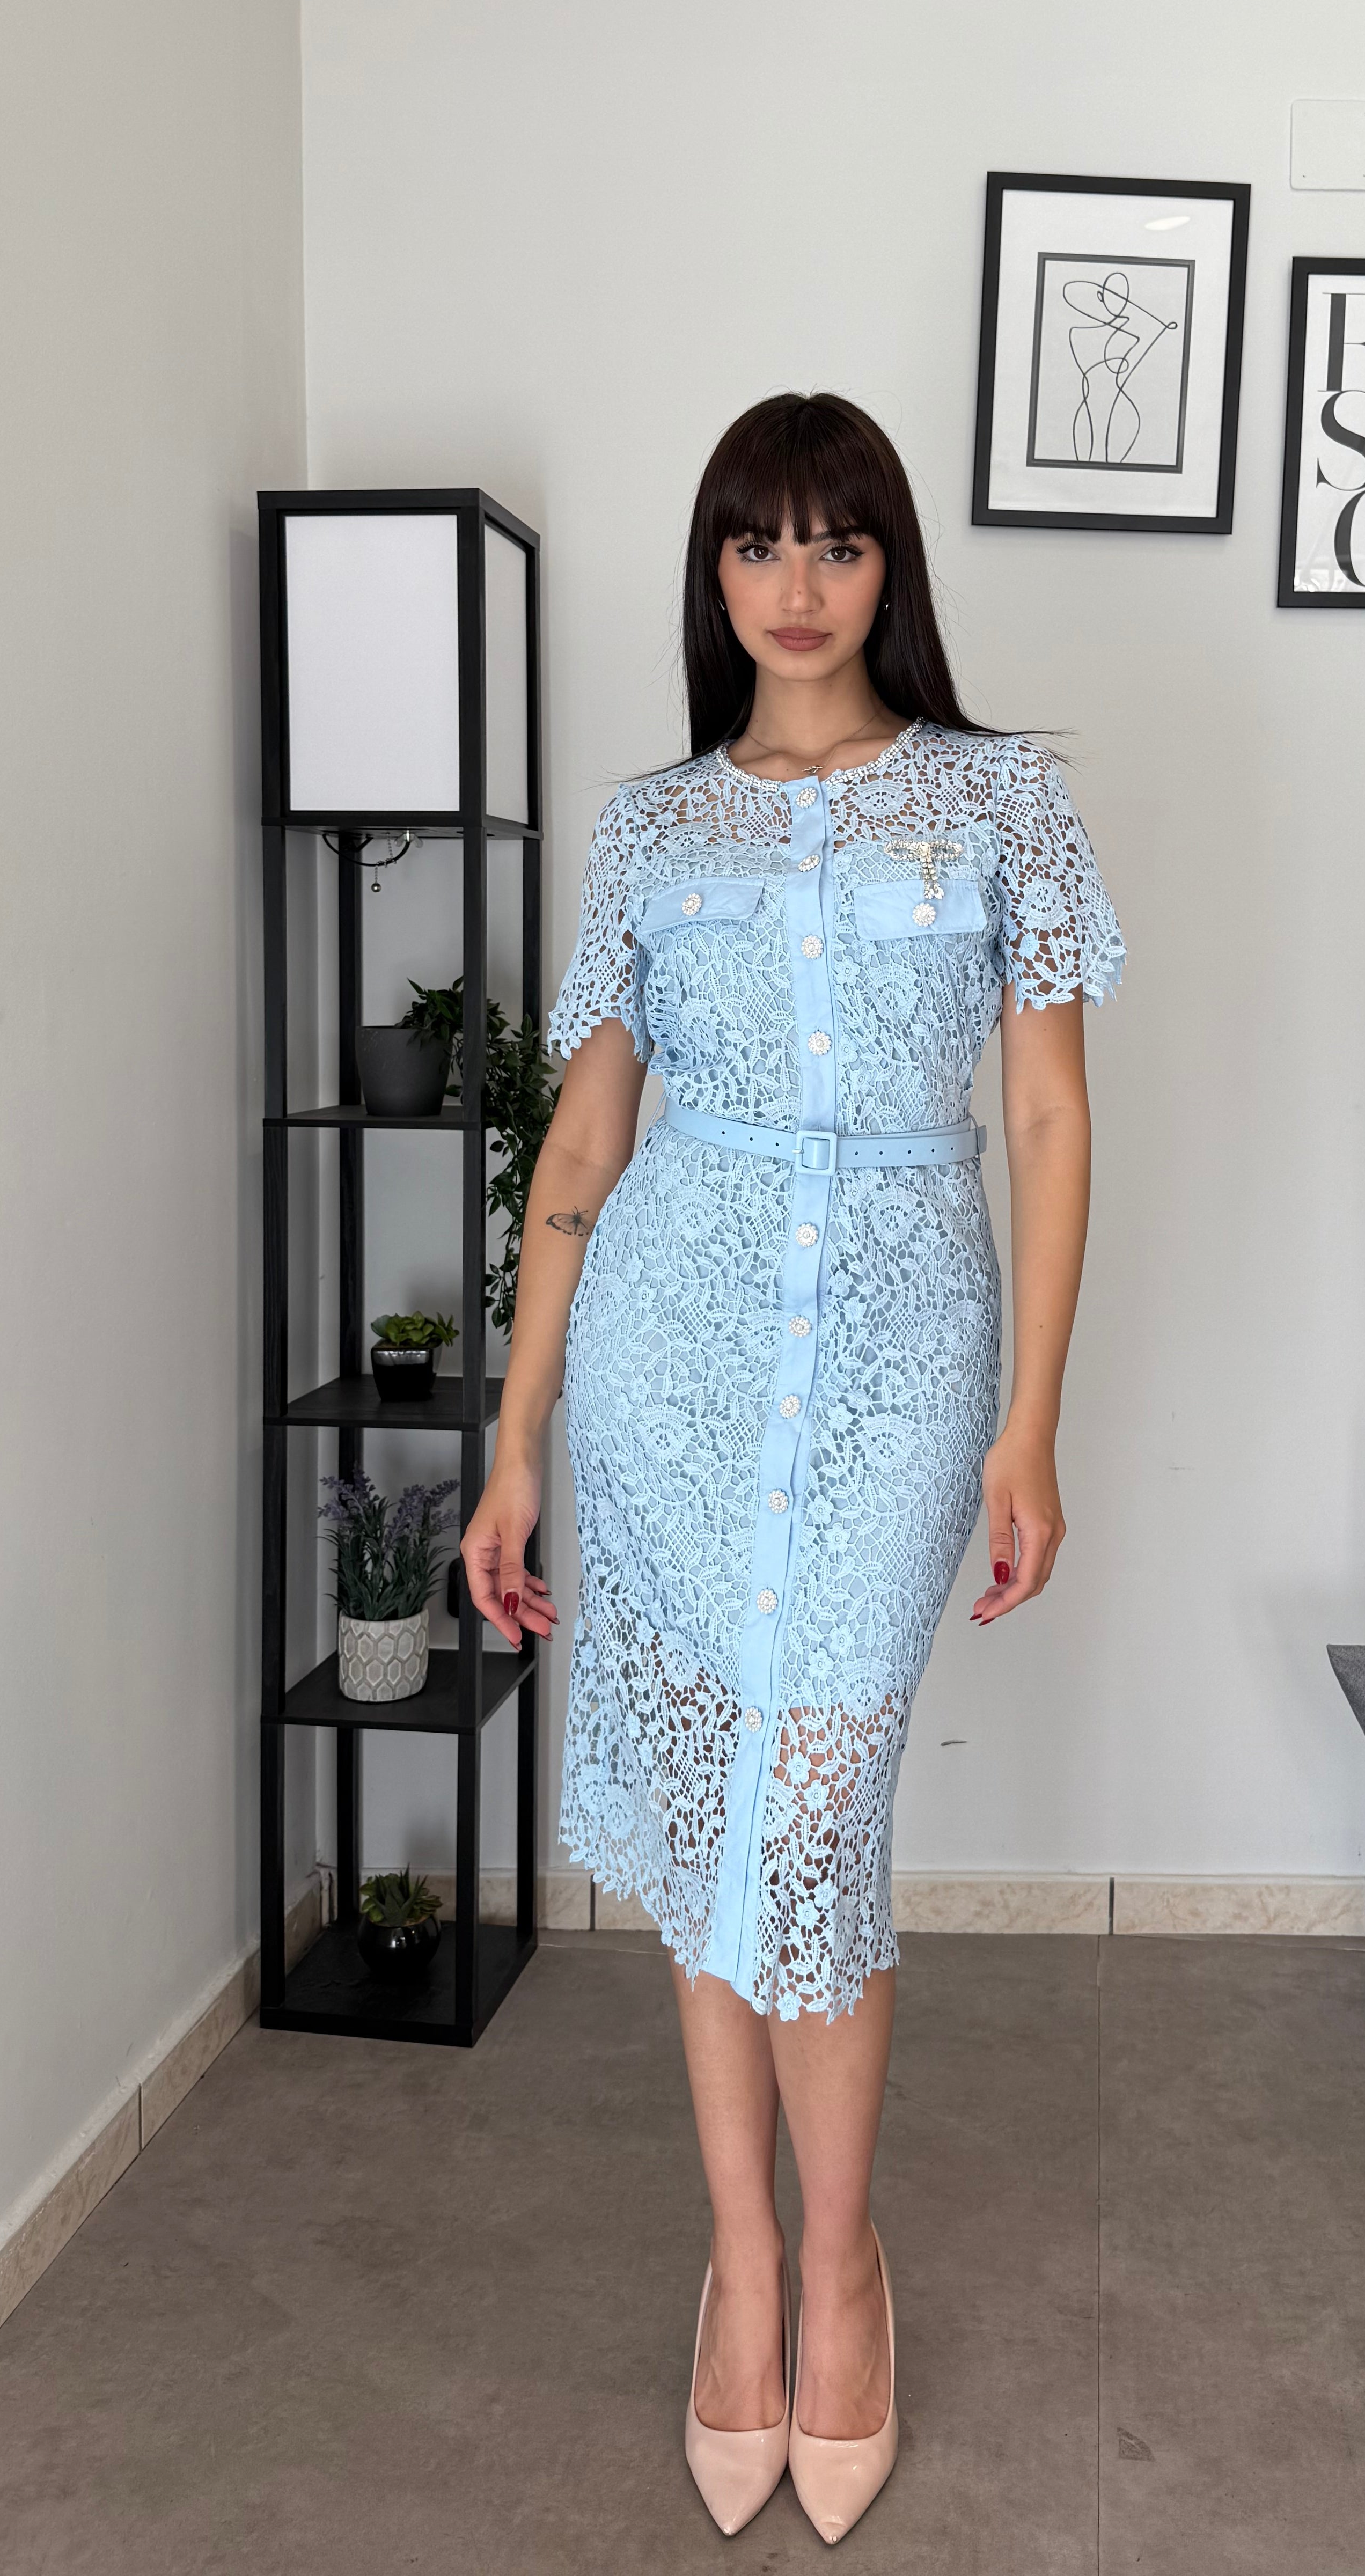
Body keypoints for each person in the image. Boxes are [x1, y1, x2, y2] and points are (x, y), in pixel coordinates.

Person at [459, 390, 1122, 2544]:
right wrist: (515, 1433)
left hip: (906, 1357)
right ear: (716, 574)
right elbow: (584, 1139)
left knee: (814, 1808)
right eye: (758, 542)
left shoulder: (1004, 801)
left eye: (839, 541)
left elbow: (1045, 1119)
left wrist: (1032, 1418)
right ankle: (744, 2271)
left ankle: (842, 2268)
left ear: (889, 567)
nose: (799, 583)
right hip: (669, 1350)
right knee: (713, 1813)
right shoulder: (650, 829)